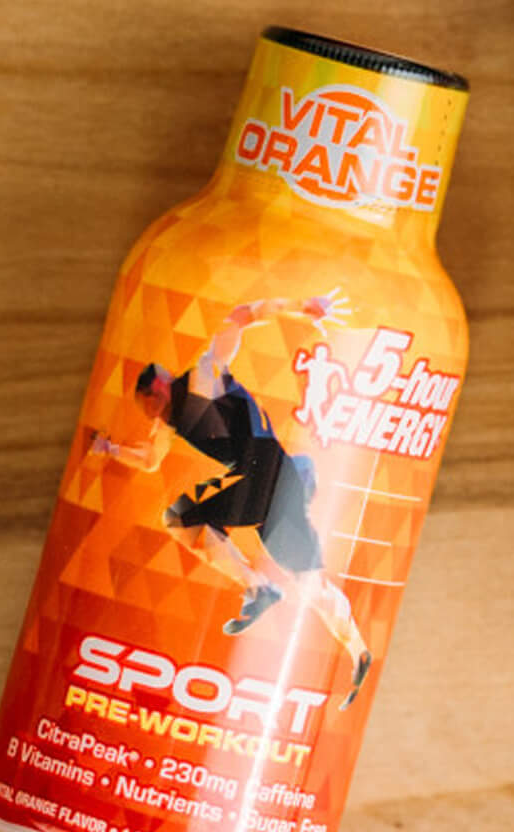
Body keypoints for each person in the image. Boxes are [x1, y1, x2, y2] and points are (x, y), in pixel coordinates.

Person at [89, 291, 379, 703]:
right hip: (270, 487)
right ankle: (359, 650)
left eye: (150, 404)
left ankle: (264, 591)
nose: (153, 416)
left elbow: (240, 315)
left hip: (266, 473)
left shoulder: (203, 375)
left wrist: (301, 306)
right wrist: (110, 449)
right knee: (310, 585)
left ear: (160, 388)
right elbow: (151, 460)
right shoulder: (169, 423)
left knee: (182, 518)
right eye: (148, 412)